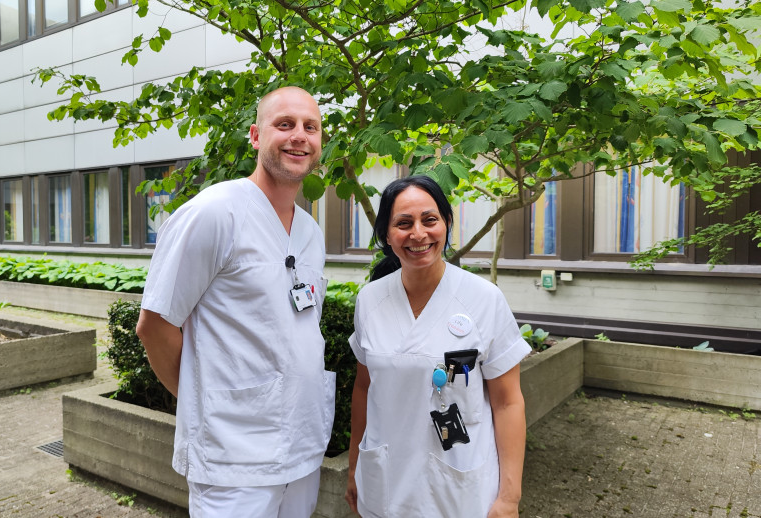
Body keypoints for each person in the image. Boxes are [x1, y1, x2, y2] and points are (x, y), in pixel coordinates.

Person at [136, 86, 336, 518]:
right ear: (256, 136)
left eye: (310, 127)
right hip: (233, 460)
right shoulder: (214, 213)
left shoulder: (310, 232)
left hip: (300, 450)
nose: (299, 135)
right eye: (284, 124)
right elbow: (154, 326)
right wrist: (202, 400)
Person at [344, 175, 530, 517]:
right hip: (384, 482)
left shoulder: (484, 300)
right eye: (403, 223)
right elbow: (363, 388)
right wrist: (355, 465)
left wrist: (509, 497)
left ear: (446, 223)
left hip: (459, 489)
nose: (418, 234)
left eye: (429, 220)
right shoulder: (370, 300)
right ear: (387, 234)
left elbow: (508, 403)